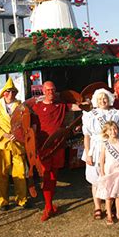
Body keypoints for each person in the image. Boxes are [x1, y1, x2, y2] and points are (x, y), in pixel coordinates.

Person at [31, 81, 82, 221]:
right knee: (46, 176)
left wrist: (91, 103)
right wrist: (33, 146)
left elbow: (77, 107)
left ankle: (50, 205)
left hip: (58, 146)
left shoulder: (61, 106)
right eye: (47, 90)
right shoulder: (37, 107)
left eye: (52, 90)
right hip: (44, 147)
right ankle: (48, 207)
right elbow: (33, 127)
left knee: (53, 176)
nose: (50, 92)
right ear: (43, 91)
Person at [82, 88, 119, 220]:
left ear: (110, 99)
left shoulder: (116, 114)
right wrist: (88, 153)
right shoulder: (90, 115)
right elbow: (87, 136)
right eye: (99, 99)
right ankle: (97, 207)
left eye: (105, 98)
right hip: (95, 149)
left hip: (111, 150)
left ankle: (109, 206)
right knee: (96, 179)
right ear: (95, 100)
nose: (102, 101)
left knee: (110, 178)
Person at [0, 77, 28, 210]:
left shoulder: (21, 106)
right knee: (2, 174)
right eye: (8, 92)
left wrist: (19, 135)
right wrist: (4, 135)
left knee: (20, 173)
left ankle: (22, 199)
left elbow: (26, 123)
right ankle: (3, 202)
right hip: (2, 145)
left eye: (13, 92)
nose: (10, 94)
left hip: (17, 144)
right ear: (3, 93)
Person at [96, 121, 119, 225]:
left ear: (118, 130)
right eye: (110, 129)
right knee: (108, 195)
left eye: (115, 129)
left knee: (118, 195)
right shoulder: (105, 143)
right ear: (106, 131)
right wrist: (102, 172)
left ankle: (118, 214)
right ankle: (109, 215)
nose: (113, 131)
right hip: (108, 172)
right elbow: (102, 159)